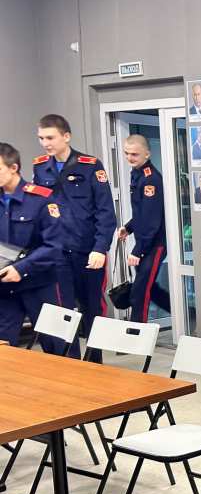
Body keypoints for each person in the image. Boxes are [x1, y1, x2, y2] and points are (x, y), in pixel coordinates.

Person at [33, 114, 115, 361]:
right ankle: (71, 364)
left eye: (50, 137)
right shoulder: (40, 166)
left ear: (66, 136)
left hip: (87, 251)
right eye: (41, 138)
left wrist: (100, 248)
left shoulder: (90, 166)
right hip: (58, 252)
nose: (45, 143)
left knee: (92, 308)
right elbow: (40, 207)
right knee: (63, 312)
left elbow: (105, 212)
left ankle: (94, 364)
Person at [0, 143, 64, 352]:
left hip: (38, 284)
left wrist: (21, 268)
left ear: (14, 167)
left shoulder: (40, 199)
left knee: (54, 347)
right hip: (4, 287)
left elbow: (55, 246)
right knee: (4, 348)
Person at [117, 135, 170, 322]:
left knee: (139, 293)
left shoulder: (150, 179)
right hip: (145, 242)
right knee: (148, 288)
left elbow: (151, 219)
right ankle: (188, 312)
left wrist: (138, 250)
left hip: (154, 244)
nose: (129, 158)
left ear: (147, 154)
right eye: (126, 153)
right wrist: (128, 228)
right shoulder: (137, 173)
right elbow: (142, 212)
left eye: (134, 154)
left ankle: (136, 332)